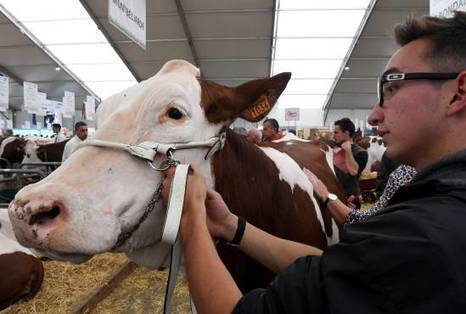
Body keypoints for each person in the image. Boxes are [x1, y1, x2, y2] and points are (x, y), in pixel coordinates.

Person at [161, 12, 466, 313]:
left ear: (458, 93)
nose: (374, 115)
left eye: (392, 87)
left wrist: (192, 220)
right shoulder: (435, 211)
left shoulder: (419, 238)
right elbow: (334, 266)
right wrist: (231, 225)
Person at [332, 118, 368, 208]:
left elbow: (353, 171)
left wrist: (348, 150)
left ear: (347, 133)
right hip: (334, 196)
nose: (334, 136)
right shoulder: (333, 149)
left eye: (336, 133)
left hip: (350, 198)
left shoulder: (361, 152)